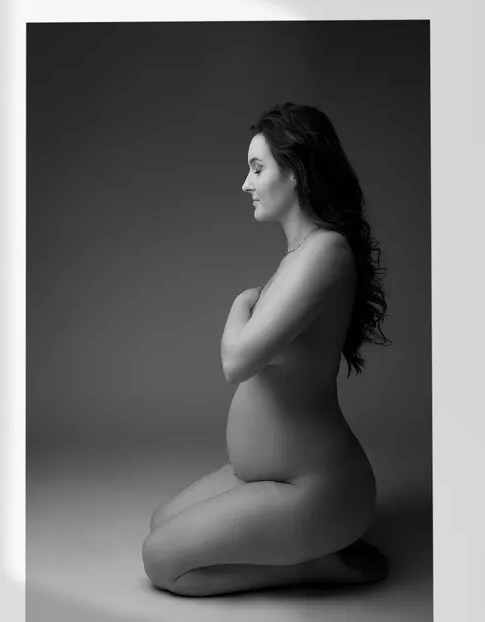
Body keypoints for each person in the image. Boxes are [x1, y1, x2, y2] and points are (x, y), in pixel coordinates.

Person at [141, 102, 389, 596]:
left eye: (257, 168)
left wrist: (240, 301)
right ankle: (302, 543)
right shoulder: (299, 258)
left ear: (296, 172)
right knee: (160, 522)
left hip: (316, 486)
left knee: (161, 562)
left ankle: (317, 564)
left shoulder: (327, 253)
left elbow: (237, 362)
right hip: (263, 477)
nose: (245, 184)